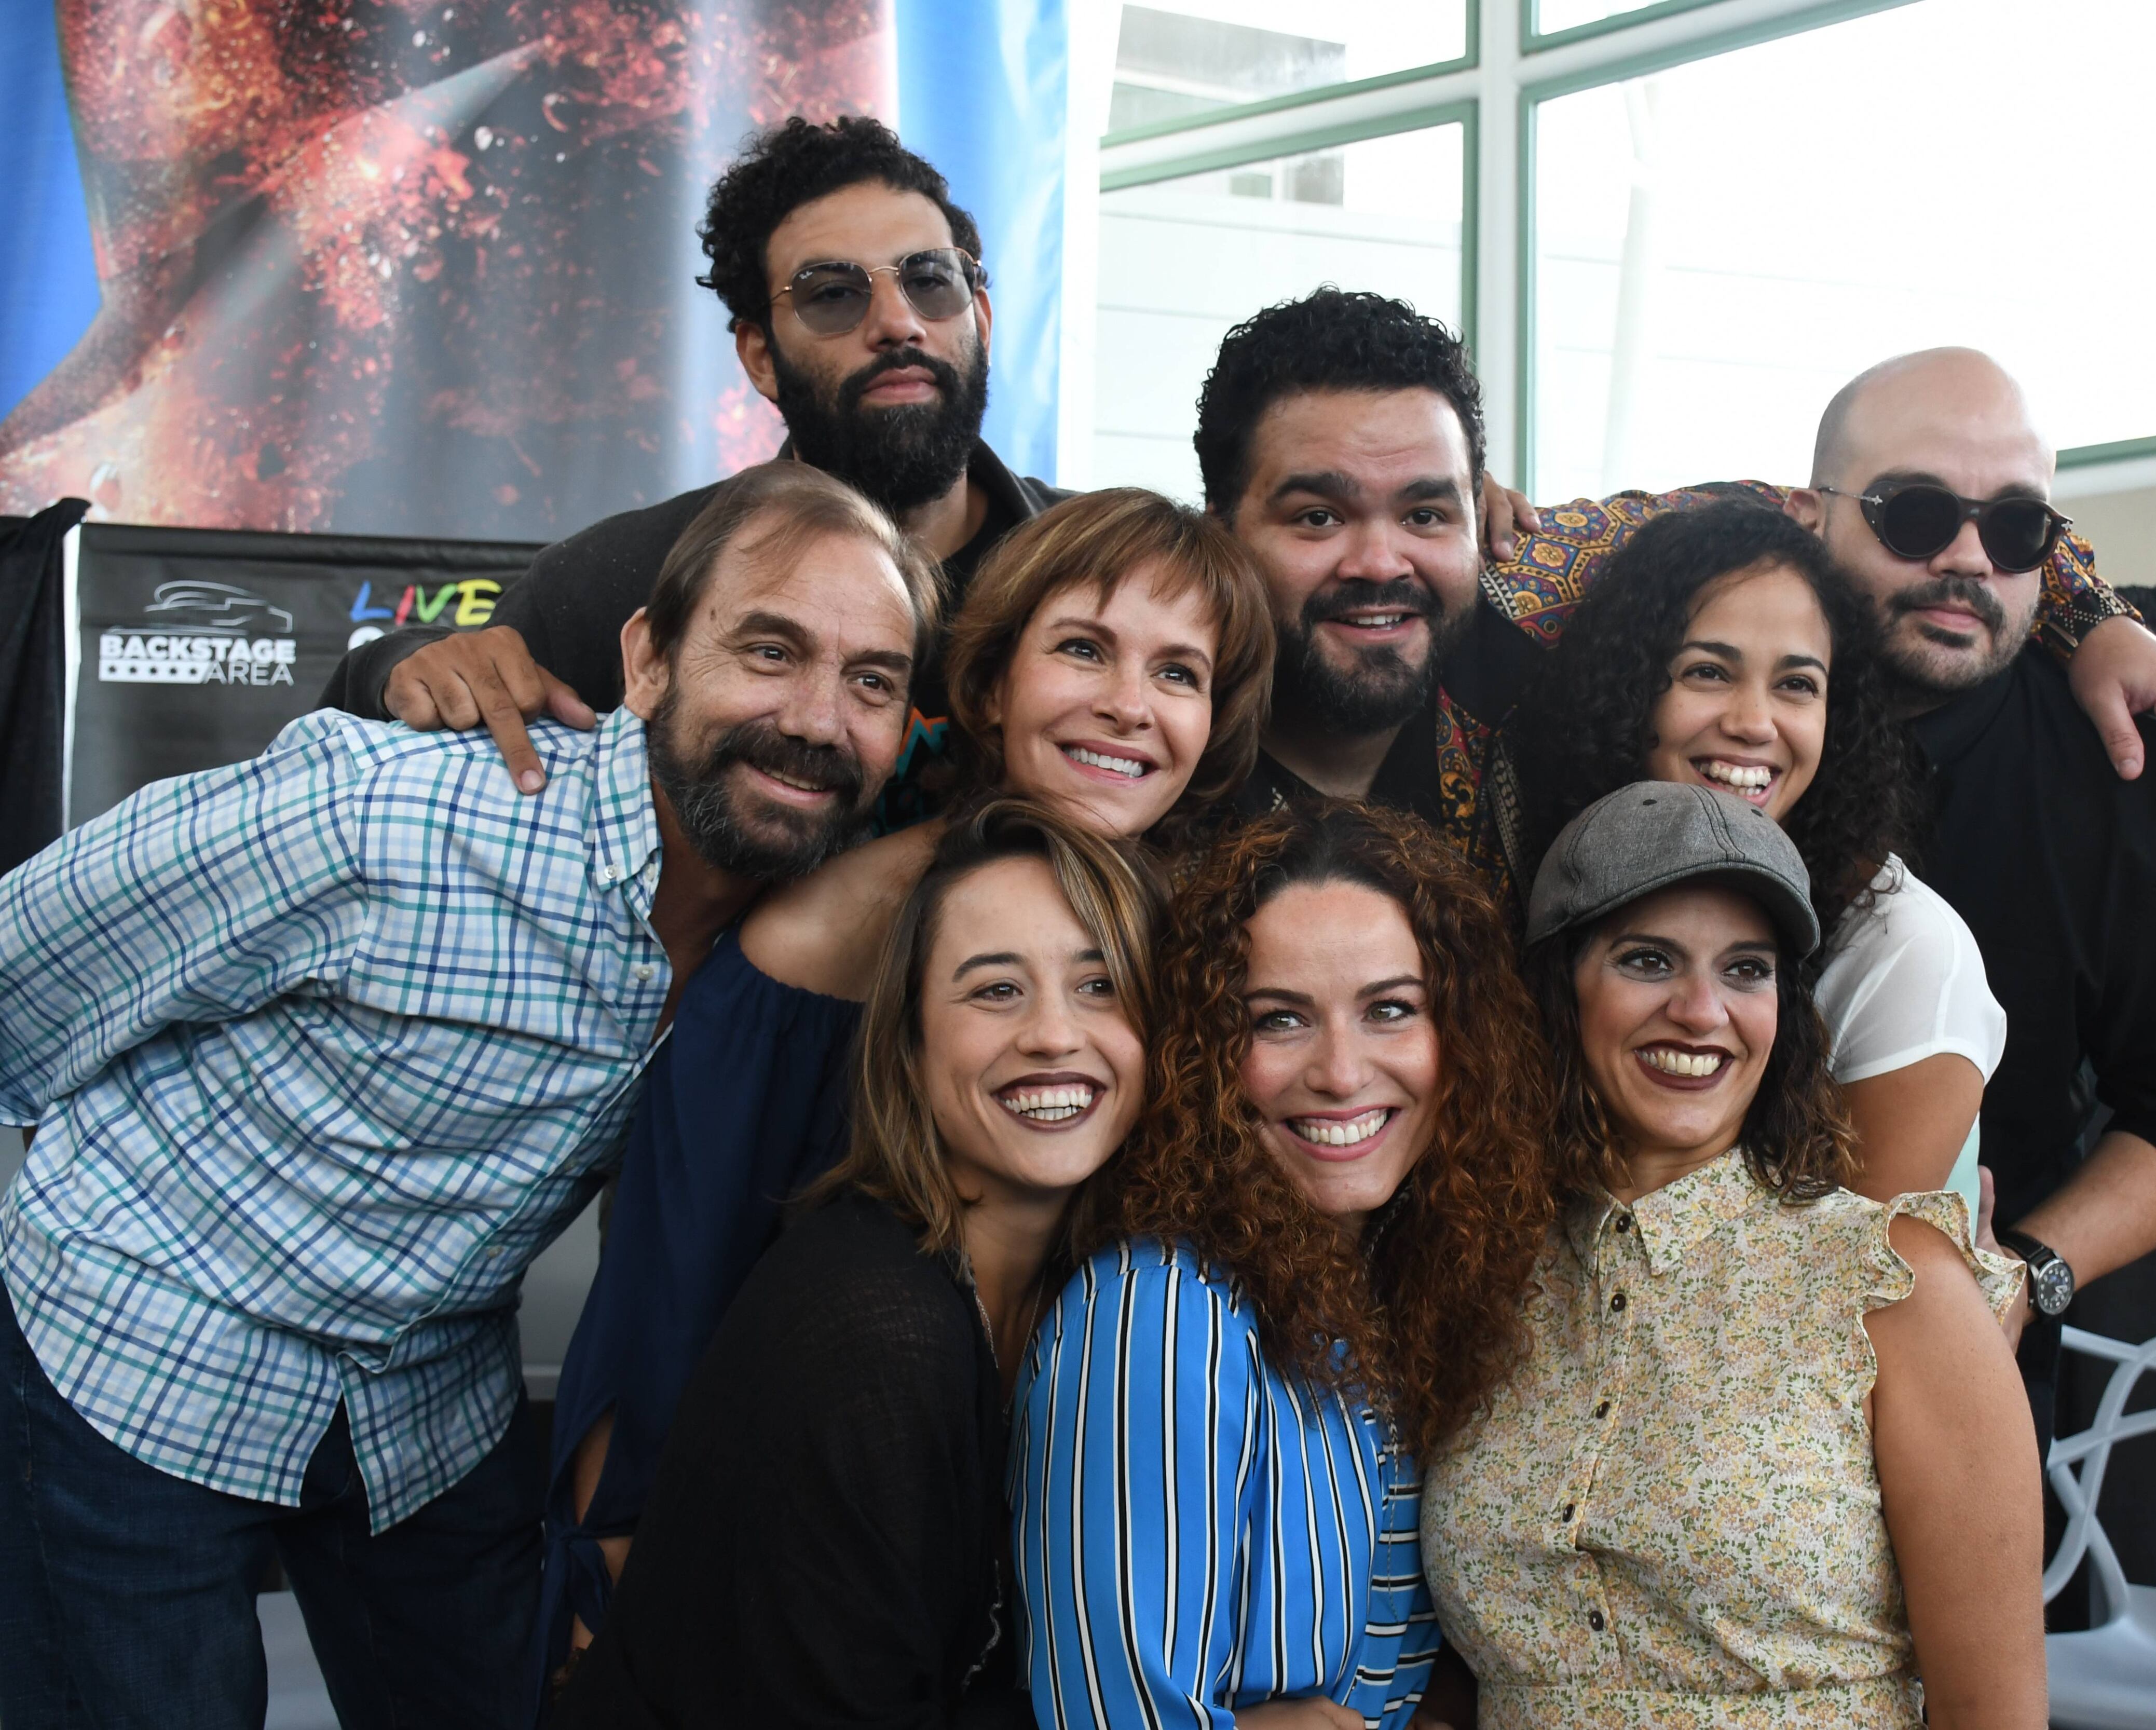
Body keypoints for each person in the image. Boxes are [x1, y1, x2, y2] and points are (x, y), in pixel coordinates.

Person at [0, 460, 934, 1729]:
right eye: (770, 650)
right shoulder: (388, 813)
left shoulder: (803, 946)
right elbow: (24, 967)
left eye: (871, 680)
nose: (819, 719)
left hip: (422, 1401)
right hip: (141, 1354)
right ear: (648, 659)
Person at [537, 486, 1273, 1690]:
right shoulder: (822, 938)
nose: (1127, 704)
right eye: (1082, 649)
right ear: (989, 684)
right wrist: (606, 1590)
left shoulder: (1204, 927)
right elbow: (665, 1300)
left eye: (1178, 672)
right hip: (809, 1570)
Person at [1193, 289, 2156, 900]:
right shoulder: (1150, 739)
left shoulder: (1526, 584)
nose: (1381, 560)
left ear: (1476, 510)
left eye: (1425, 511)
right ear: (1219, 526)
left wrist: (2094, 618)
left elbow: (1859, 519)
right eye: (1317, 516)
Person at [1425, 780, 2045, 1729]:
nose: (1701, 1009)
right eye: (1648, 960)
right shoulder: (1480, 1270)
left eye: (1746, 970)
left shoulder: (1893, 1284)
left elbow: (1995, 1716)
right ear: (1557, 990)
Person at [1779, 347, 2156, 1445]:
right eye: (1914, 513)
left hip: (1944, 1407)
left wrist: (2030, 1271)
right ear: (1808, 517)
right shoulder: (1687, 720)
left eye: (2017, 529)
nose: (1968, 557)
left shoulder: (2132, 779)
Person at [548, 799, 1164, 1728]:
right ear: (909, 1047)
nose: (1051, 1033)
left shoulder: (1084, 1296)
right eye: (996, 989)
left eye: (1101, 984)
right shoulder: (872, 1332)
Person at [320, 113, 1068, 822]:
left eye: (930, 280)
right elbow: (369, 732)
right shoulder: (619, 579)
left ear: (982, 319)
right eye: (834, 295)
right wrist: (402, 668)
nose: (898, 323)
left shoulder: (1105, 571)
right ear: (760, 358)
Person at [1015, 801, 1560, 1730]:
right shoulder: (1161, 1315)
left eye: (1391, 1009)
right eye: (1279, 1019)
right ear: (1205, 1056)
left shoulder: (1396, 1285)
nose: (1341, 1072)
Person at [1519, 498, 2000, 1211]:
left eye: (1797, 685)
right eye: (1708, 672)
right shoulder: (1570, 877)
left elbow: (1867, 1269)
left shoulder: (1907, 947)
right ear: (1626, 689)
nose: (1753, 723)